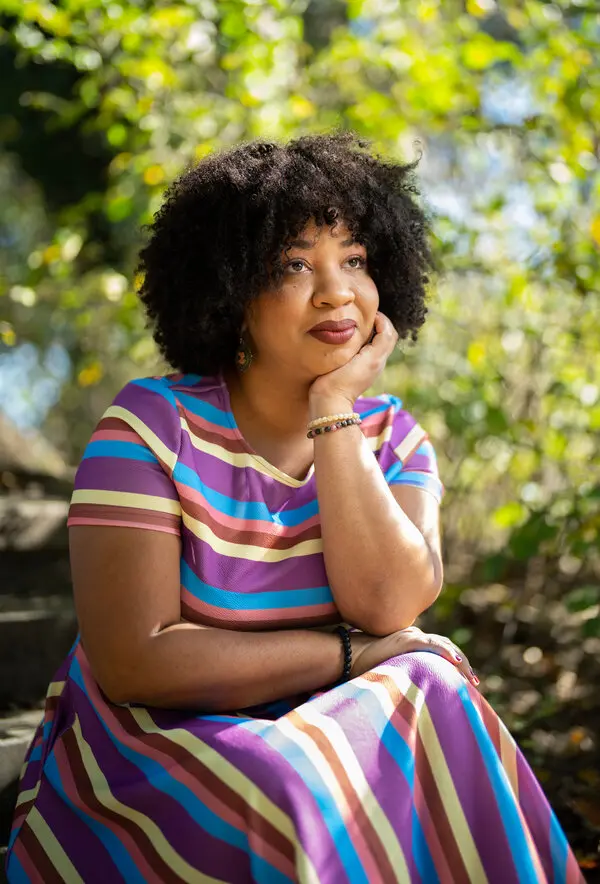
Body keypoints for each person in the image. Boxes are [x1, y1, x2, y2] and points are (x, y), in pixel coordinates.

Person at [6, 131, 583, 884]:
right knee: (290, 780)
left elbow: (390, 605)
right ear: (231, 290)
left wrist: (335, 409)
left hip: (332, 728)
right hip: (169, 744)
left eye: (354, 259)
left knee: (436, 686)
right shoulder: (151, 427)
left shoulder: (394, 439)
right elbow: (134, 663)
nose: (336, 291)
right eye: (293, 265)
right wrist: (347, 656)